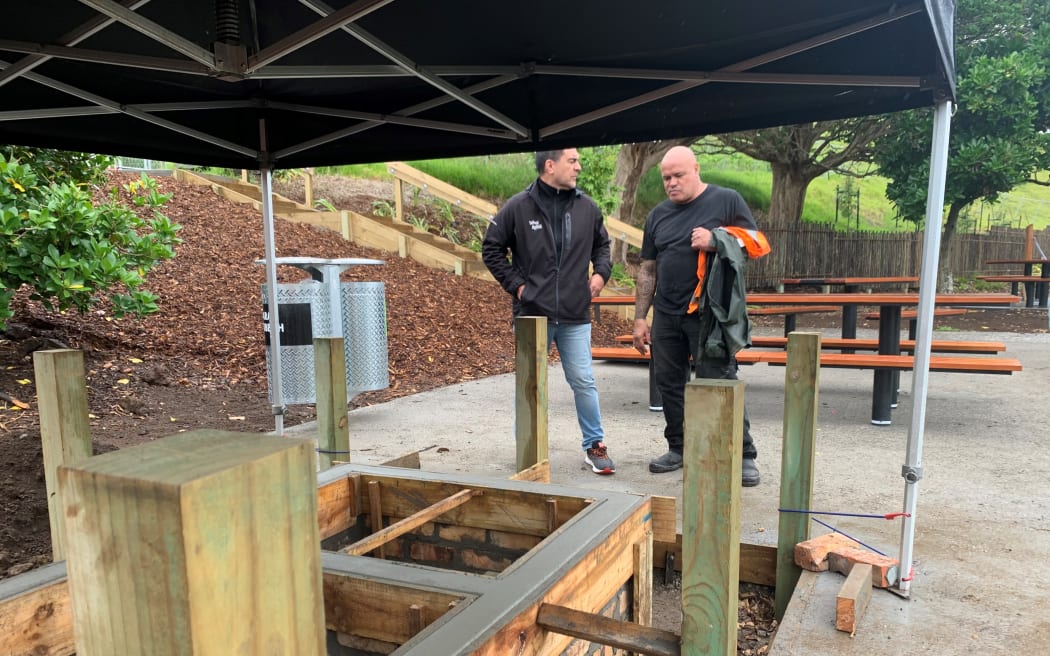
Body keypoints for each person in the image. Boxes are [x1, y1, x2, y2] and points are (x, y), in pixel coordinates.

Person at [631, 145, 766, 486]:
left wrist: (717, 240)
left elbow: (757, 244)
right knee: (669, 384)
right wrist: (640, 318)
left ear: (696, 169)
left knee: (719, 381)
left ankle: (744, 455)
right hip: (666, 313)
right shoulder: (657, 215)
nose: (672, 183)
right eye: (666, 178)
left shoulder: (726, 200)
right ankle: (679, 447)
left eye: (678, 176)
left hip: (709, 315)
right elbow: (648, 270)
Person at [482, 148, 616, 475]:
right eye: (573, 161)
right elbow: (491, 248)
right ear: (550, 165)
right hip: (532, 316)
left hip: (574, 314)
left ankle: (594, 445)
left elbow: (602, 246)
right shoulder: (518, 207)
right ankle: (528, 449)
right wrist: (519, 287)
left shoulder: (588, 208)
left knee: (583, 380)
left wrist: (600, 275)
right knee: (531, 384)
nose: (579, 167)